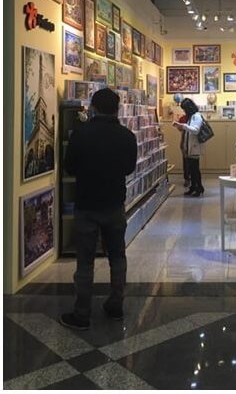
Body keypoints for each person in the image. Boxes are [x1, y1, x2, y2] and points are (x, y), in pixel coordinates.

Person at [60, 88, 137, 330]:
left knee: (85, 261)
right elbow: (129, 168)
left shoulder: (81, 134)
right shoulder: (127, 136)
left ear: (93, 107)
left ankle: (82, 313)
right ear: (117, 108)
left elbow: (70, 166)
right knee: (117, 257)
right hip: (114, 203)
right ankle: (116, 305)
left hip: (86, 203)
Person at [172, 98, 204, 197]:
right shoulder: (191, 117)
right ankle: (193, 187)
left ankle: (198, 187)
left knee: (195, 169)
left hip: (194, 147)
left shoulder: (197, 116)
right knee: (191, 168)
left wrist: (182, 125)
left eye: (185, 109)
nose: (184, 111)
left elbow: (195, 130)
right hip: (189, 146)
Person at [177, 112, 190, 187]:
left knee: (186, 162)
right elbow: (180, 129)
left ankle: (187, 179)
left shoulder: (184, 118)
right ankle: (188, 178)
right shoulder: (183, 118)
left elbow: (180, 129)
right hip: (185, 141)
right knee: (187, 161)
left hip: (187, 142)